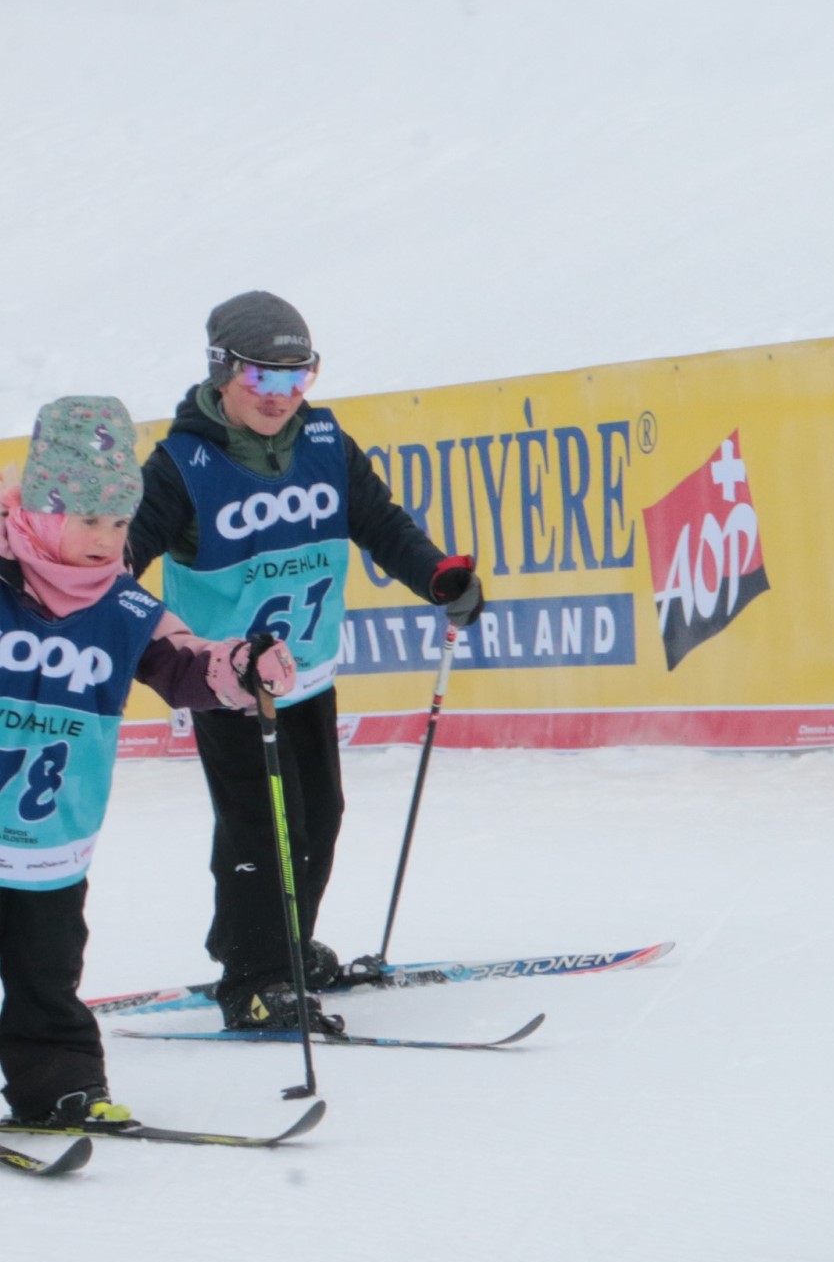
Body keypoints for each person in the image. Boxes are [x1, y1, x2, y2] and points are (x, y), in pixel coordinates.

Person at [125, 292, 485, 1035]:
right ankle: (254, 980)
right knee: (263, 826)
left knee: (318, 816)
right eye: (262, 376)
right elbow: (123, 554)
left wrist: (436, 576)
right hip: (229, 681)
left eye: (299, 375)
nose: (281, 394)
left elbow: (380, 522)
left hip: (309, 672)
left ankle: (278, 946)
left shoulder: (325, 442)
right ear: (222, 370)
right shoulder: (182, 464)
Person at [0, 397, 296, 1129]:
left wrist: (243, 666)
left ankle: (59, 1086)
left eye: (119, 522)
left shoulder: (124, 605)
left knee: (47, 969)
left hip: (49, 834)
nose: (107, 540)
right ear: (42, 513)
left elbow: (186, 664)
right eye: (88, 520)